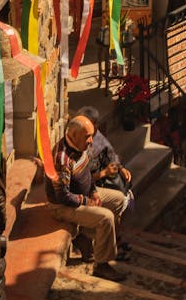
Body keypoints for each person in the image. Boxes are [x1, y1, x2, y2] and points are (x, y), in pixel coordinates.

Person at [45, 114, 128, 282]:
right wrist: (86, 201)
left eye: (91, 135)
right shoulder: (62, 159)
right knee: (106, 218)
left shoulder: (81, 146)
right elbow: (62, 196)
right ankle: (102, 265)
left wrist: (94, 192)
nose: (91, 140)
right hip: (62, 207)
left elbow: (87, 174)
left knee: (118, 199)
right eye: (87, 136)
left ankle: (85, 236)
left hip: (82, 196)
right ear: (74, 135)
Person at [77, 105, 134, 252]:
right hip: (87, 188)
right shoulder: (78, 144)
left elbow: (110, 153)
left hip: (100, 181)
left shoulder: (96, 137)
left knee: (122, 197)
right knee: (111, 206)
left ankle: (116, 238)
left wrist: (120, 168)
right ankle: (107, 244)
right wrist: (103, 174)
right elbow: (80, 179)